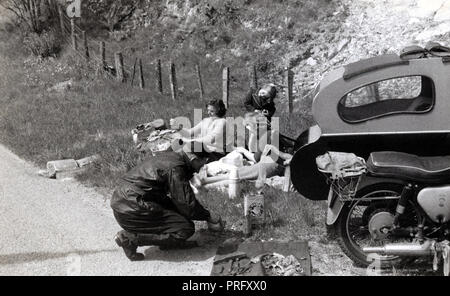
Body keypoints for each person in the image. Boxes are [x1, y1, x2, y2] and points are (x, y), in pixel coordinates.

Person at [111, 151, 224, 261]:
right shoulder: (175, 169)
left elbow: (181, 201)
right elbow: (187, 205)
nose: (202, 167)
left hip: (125, 201)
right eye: (202, 163)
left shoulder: (173, 157)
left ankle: (167, 242)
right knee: (185, 228)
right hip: (132, 209)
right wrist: (208, 216)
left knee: (178, 217)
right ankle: (129, 239)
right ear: (194, 159)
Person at [170, 99, 232, 167]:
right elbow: (189, 133)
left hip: (216, 153)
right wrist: (179, 128)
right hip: (204, 151)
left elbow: (211, 139)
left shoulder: (222, 122)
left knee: (191, 145)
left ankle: (200, 168)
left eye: (212, 111)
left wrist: (190, 140)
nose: (208, 113)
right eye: (208, 110)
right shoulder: (206, 121)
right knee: (178, 147)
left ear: (219, 110)